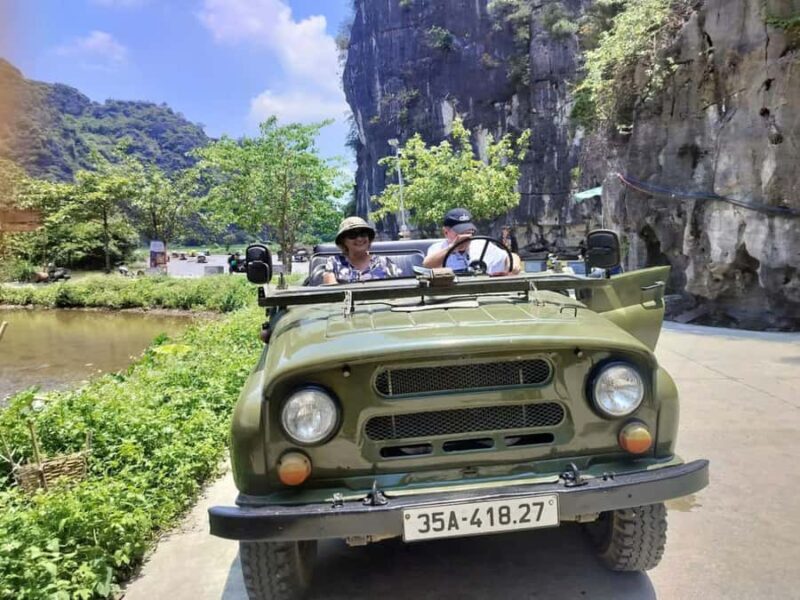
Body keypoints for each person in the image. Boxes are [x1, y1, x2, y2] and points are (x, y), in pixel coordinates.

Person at [423, 208, 520, 275]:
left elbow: (510, 256)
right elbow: (427, 265)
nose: (467, 236)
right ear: (446, 232)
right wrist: (452, 247)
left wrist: (513, 266)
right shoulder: (438, 248)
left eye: (469, 231)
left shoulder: (482, 245)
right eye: (461, 232)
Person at [323, 217, 400, 284]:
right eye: (352, 235)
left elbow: (399, 289)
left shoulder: (385, 262)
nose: (359, 239)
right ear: (343, 241)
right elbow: (331, 291)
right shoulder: (334, 263)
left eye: (363, 234)